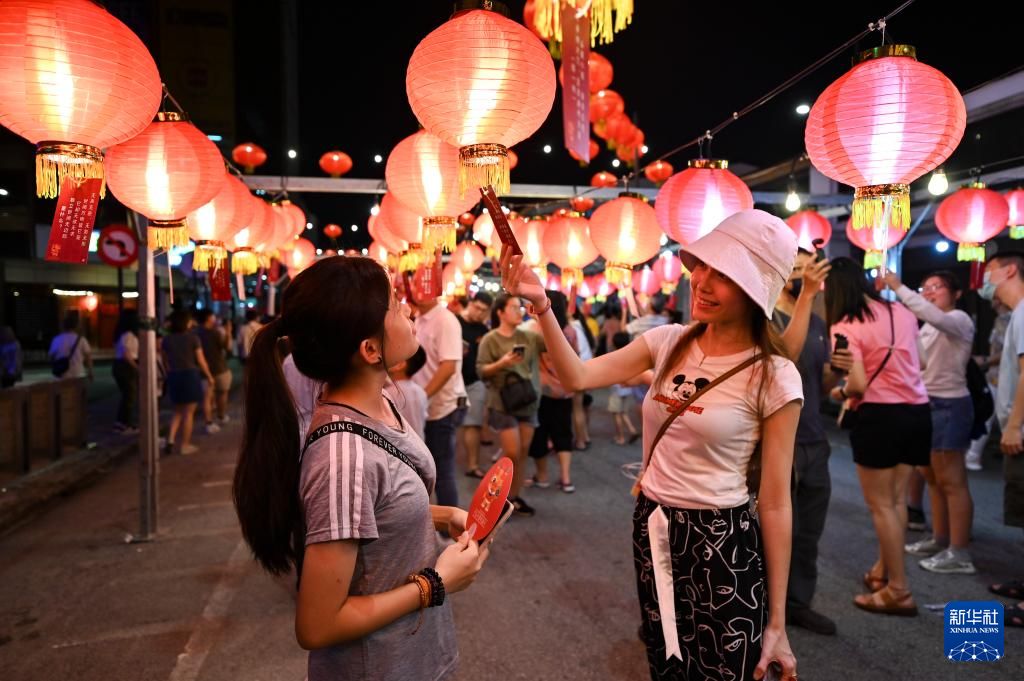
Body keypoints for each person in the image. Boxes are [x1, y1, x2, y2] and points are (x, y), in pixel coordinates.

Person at [501, 209, 802, 681]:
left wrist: (778, 622)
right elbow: (578, 376)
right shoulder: (667, 342)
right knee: (666, 661)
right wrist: (542, 306)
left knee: (726, 670)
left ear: (753, 290)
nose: (702, 281)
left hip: (721, 538)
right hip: (654, 522)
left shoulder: (775, 375)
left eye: (723, 274)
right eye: (702, 265)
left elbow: (777, 502)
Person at [233, 256, 489, 680]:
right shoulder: (343, 456)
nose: (408, 310)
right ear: (370, 350)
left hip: (417, 658)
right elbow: (317, 625)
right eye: (394, 305)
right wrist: (434, 584)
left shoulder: (381, 402)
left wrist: (443, 516)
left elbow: (373, 512)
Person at [826, 258, 929, 617]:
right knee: (896, 501)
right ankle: (883, 570)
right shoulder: (901, 311)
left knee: (882, 506)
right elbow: (922, 362)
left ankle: (899, 590)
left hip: (880, 417)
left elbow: (856, 384)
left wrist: (838, 393)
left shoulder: (845, 324)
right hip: (917, 412)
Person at [882, 270, 977, 575]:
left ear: (956, 294)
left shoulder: (958, 319)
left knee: (953, 481)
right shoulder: (929, 325)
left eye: (938, 287)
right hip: (928, 403)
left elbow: (931, 315)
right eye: (926, 287)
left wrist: (898, 286)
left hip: (950, 405)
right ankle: (940, 539)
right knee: (933, 478)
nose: (930, 291)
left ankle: (960, 552)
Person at [772, 248, 841, 635]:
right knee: (779, 530)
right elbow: (784, 359)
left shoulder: (817, 321)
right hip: (781, 440)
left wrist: (838, 375)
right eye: (795, 269)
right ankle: (766, 608)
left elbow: (820, 383)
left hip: (815, 436)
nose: (802, 275)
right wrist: (808, 296)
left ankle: (798, 603)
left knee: (809, 531)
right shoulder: (766, 317)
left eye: (807, 268)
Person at [981, 251, 1024, 627]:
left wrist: (1014, 426)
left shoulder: (1023, 313)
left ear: (1010, 270)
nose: (985, 278)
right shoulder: (1016, 314)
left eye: (989, 271)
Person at [477, 293, 545, 517]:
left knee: (523, 452)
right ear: (501, 312)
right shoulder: (490, 339)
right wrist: (502, 363)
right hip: (502, 401)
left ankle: (513, 498)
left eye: (520, 308)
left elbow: (552, 345)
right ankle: (496, 499)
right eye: (514, 308)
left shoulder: (529, 336)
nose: (519, 312)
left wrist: (542, 318)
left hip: (528, 399)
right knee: (512, 453)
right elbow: (481, 371)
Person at [410, 282, 468, 509]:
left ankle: (450, 525)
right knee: (426, 469)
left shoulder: (445, 320)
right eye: (415, 283)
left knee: (442, 471)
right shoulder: (419, 318)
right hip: (426, 406)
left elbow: (449, 366)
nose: (420, 289)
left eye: (425, 283)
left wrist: (422, 397)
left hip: (442, 406)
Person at [526, 290, 579, 492]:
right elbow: (576, 357)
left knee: (540, 433)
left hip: (542, 390)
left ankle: (542, 476)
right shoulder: (570, 331)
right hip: (565, 389)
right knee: (563, 432)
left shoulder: (536, 329)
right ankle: (566, 478)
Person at [162, 309, 214, 456]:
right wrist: (209, 376)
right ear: (185, 322)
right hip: (190, 375)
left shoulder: (167, 340)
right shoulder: (193, 338)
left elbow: (165, 361)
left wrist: (169, 373)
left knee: (177, 411)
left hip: (174, 375)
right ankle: (184, 445)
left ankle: (170, 440)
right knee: (188, 413)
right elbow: (201, 360)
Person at [967, 299, 1010, 470]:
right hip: (995, 377)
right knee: (988, 417)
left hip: (1006, 378)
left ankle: (973, 456)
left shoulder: (1011, 319)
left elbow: (1008, 351)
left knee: (999, 418)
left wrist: (985, 361)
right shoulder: (999, 319)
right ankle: (972, 456)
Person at [457, 292, 493, 478]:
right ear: (470, 303)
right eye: (477, 308)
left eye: (484, 311)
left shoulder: (484, 330)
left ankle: (473, 465)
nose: (479, 313)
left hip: (474, 382)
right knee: (447, 424)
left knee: (473, 423)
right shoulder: (454, 322)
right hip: (451, 381)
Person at [195, 310, 232, 434]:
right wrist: (228, 332)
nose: (215, 318)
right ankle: (221, 416)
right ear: (209, 318)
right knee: (222, 393)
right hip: (219, 368)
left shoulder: (195, 333)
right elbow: (227, 348)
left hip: (203, 371)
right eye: (213, 316)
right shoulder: (215, 333)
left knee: (207, 397)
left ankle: (208, 422)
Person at [387, 347, 429, 441]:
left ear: (400, 364)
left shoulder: (389, 393)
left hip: (399, 445)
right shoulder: (420, 391)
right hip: (419, 444)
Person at [607, 331, 640, 445]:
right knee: (623, 412)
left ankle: (620, 437)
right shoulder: (630, 355)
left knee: (616, 413)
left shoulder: (613, 356)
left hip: (617, 389)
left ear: (614, 343)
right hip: (627, 388)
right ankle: (632, 430)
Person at [112, 310, 140, 433]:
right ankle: (124, 424)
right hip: (126, 367)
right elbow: (126, 354)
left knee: (127, 396)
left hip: (121, 366)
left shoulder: (121, 334)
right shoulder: (128, 335)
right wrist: (136, 367)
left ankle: (122, 422)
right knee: (129, 396)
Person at [571, 308, 595, 450]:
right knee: (584, 406)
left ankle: (580, 441)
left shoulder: (572, 328)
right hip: (588, 369)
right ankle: (585, 436)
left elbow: (576, 352)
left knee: (577, 408)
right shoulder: (581, 326)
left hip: (579, 371)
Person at [49, 313, 93, 380]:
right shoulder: (81, 340)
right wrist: (90, 372)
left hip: (61, 375)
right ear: (76, 326)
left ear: (63, 326)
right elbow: (88, 358)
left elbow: (52, 357)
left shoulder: (56, 340)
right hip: (78, 374)